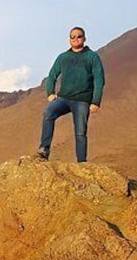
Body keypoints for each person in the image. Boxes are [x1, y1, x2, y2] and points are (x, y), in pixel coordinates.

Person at [36, 26, 105, 162]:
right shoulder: (63, 57)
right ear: (69, 39)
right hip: (63, 99)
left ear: (84, 38)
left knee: (80, 132)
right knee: (48, 114)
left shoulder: (92, 57)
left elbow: (99, 79)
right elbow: (51, 76)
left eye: (79, 36)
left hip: (82, 101)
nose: (75, 39)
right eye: (72, 36)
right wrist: (50, 92)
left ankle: (81, 162)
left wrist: (96, 102)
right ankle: (44, 149)